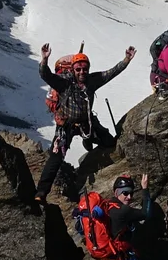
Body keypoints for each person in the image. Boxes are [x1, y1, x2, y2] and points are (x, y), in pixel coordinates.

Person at [36, 42, 134, 199]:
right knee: (56, 158)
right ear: (73, 69)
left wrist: (126, 60)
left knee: (109, 142)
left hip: (87, 123)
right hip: (66, 126)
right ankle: (41, 191)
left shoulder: (92, 81)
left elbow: (111, 73)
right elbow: (45, 75)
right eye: (78, 69)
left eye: (85, 69)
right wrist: (44, 60)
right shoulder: (64, 82)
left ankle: (87, 141)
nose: (82, 72)